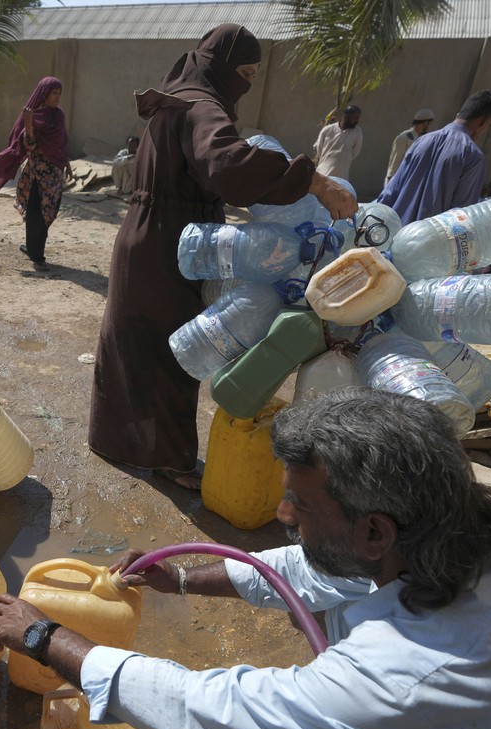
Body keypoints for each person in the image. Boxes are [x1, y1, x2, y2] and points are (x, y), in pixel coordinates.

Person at [0, 387, 491, 729]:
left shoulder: (410, 677)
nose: (281, 513)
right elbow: (315, 571)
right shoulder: (477, 542)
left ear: (373, 531)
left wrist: (46, 637)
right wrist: (186, 577)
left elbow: (206, 711)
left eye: (300, 504)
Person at [86, 25, 355, 490]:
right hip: (174, 242)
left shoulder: (177, 101)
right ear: (220, 67)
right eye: (245, 73)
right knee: (176, 349)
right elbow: (229, 165)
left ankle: (115, 440)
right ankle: (170, 460)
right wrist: (314, 182)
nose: (247, 84)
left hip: (144, 234)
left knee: (131, 339)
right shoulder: (202, 108)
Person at [0, 76, 73, 270]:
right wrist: (29, 124)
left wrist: (66, 162)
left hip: (53, 174)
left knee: (49, 212)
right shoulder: (34, 116)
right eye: (54, 93)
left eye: (59, 93)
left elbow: (61, 144)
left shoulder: (59, 116)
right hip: (37, 174)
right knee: (36, 213)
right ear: (44, 94)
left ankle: (33, 249)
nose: (57, 97)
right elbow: (29, 145)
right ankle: (36, 254)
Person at [377, 90, 491, 225]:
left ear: (458, 114)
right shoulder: (473, 157)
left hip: (392, 235)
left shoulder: (421, 141)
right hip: (428, 242)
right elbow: (461, 217)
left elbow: (389, 193)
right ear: (486, 121)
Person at [383, 108, 435, 188]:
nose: (428, 126)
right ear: (424, 123)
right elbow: (395, 160)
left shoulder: (423, 139)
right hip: (397, 180)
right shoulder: (405, 137)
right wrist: (390, 180)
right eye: (427, 123)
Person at [312, 104, 362, 180]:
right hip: (323, 174)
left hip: (341, 177)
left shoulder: (357, 133)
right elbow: (319, 150)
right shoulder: (328, 130)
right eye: (355, 118)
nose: (357, 121)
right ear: (346, 116)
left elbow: (355, 153)